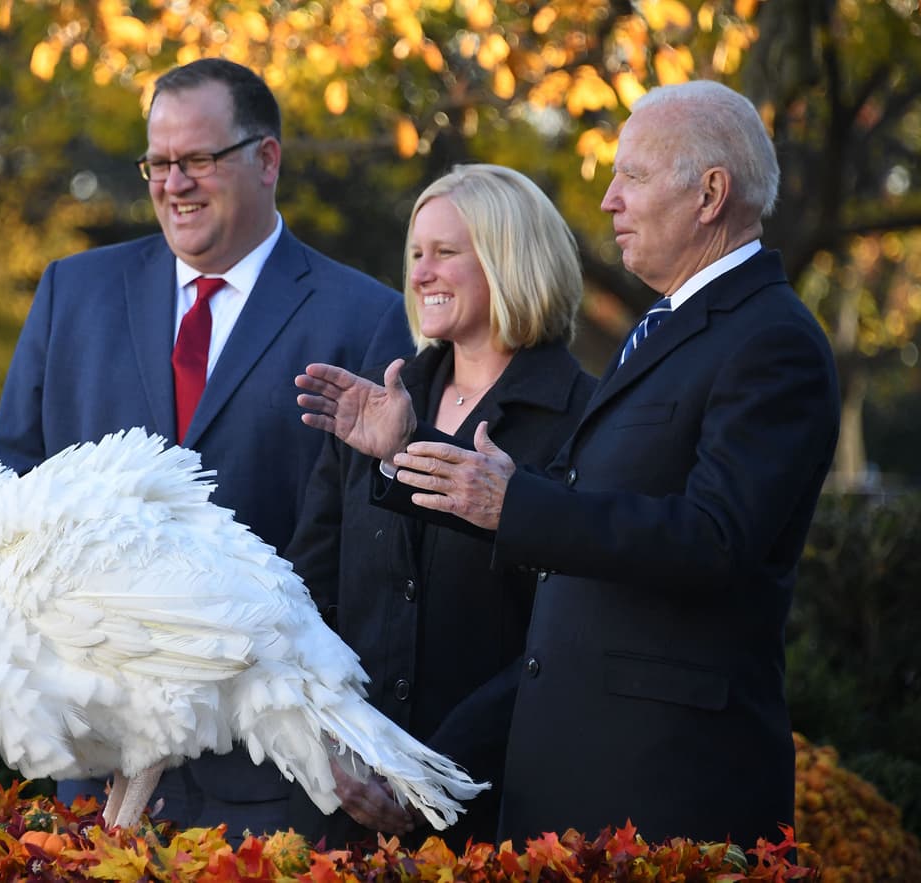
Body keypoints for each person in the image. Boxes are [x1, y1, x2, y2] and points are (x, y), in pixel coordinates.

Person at [300, 80, 840, 847]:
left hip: (666, 785)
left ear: (711, 193)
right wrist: (408, 459)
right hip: (580, 778)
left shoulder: (770, 340)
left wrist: (512, 504)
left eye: (634, 177)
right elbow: (583, 513)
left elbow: (716, 538)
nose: (611, 200)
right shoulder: (664, 329)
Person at [0, 57, 414, 836]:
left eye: (197, 160)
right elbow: (12, 496)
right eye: (158, 162)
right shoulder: (71, 295)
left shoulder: (364, 318)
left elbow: (377, 555)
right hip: (100, 772)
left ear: (267, 159)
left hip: (273, 774)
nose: (173, 183)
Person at [286, 164, 596, 850]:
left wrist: (430, 774)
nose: (422, 272)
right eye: (416, 254)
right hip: (350, 807)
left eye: (446, 252)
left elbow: (567, 632)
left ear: (510, 258)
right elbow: (304, 597)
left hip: (501, 814)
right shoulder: (374, 409)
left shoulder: (587, 419)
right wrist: (333, 747)